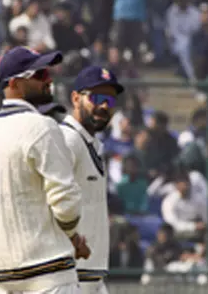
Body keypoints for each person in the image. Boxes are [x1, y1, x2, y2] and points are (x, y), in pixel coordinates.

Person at [0, 46, 90, 294]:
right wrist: (73, 237)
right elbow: (65, 200)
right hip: (47, 271)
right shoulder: (42, 127)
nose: (48, 80)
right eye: (39, 75)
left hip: (1, 275)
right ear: (14, 83)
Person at [59, 66, 124, 294]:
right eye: (96, 97)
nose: (104, 106)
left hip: (91, 276)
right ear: (75, 98)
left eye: (110, 100)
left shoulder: (93, 143)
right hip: (69, 277)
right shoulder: (65, 140)